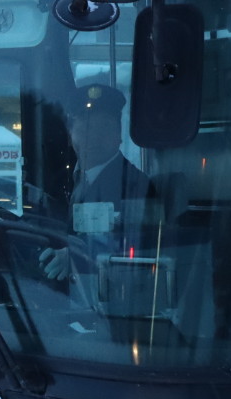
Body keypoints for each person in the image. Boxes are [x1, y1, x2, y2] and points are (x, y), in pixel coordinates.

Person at [40, 83, 151, 281]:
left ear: (119, 135)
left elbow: (136, 243)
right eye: (85, 128)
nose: (93, 138)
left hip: (108, 294)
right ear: (71, 134)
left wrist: (78, 257)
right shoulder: (59, 181)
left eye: (104, 127)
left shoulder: (136, 185)